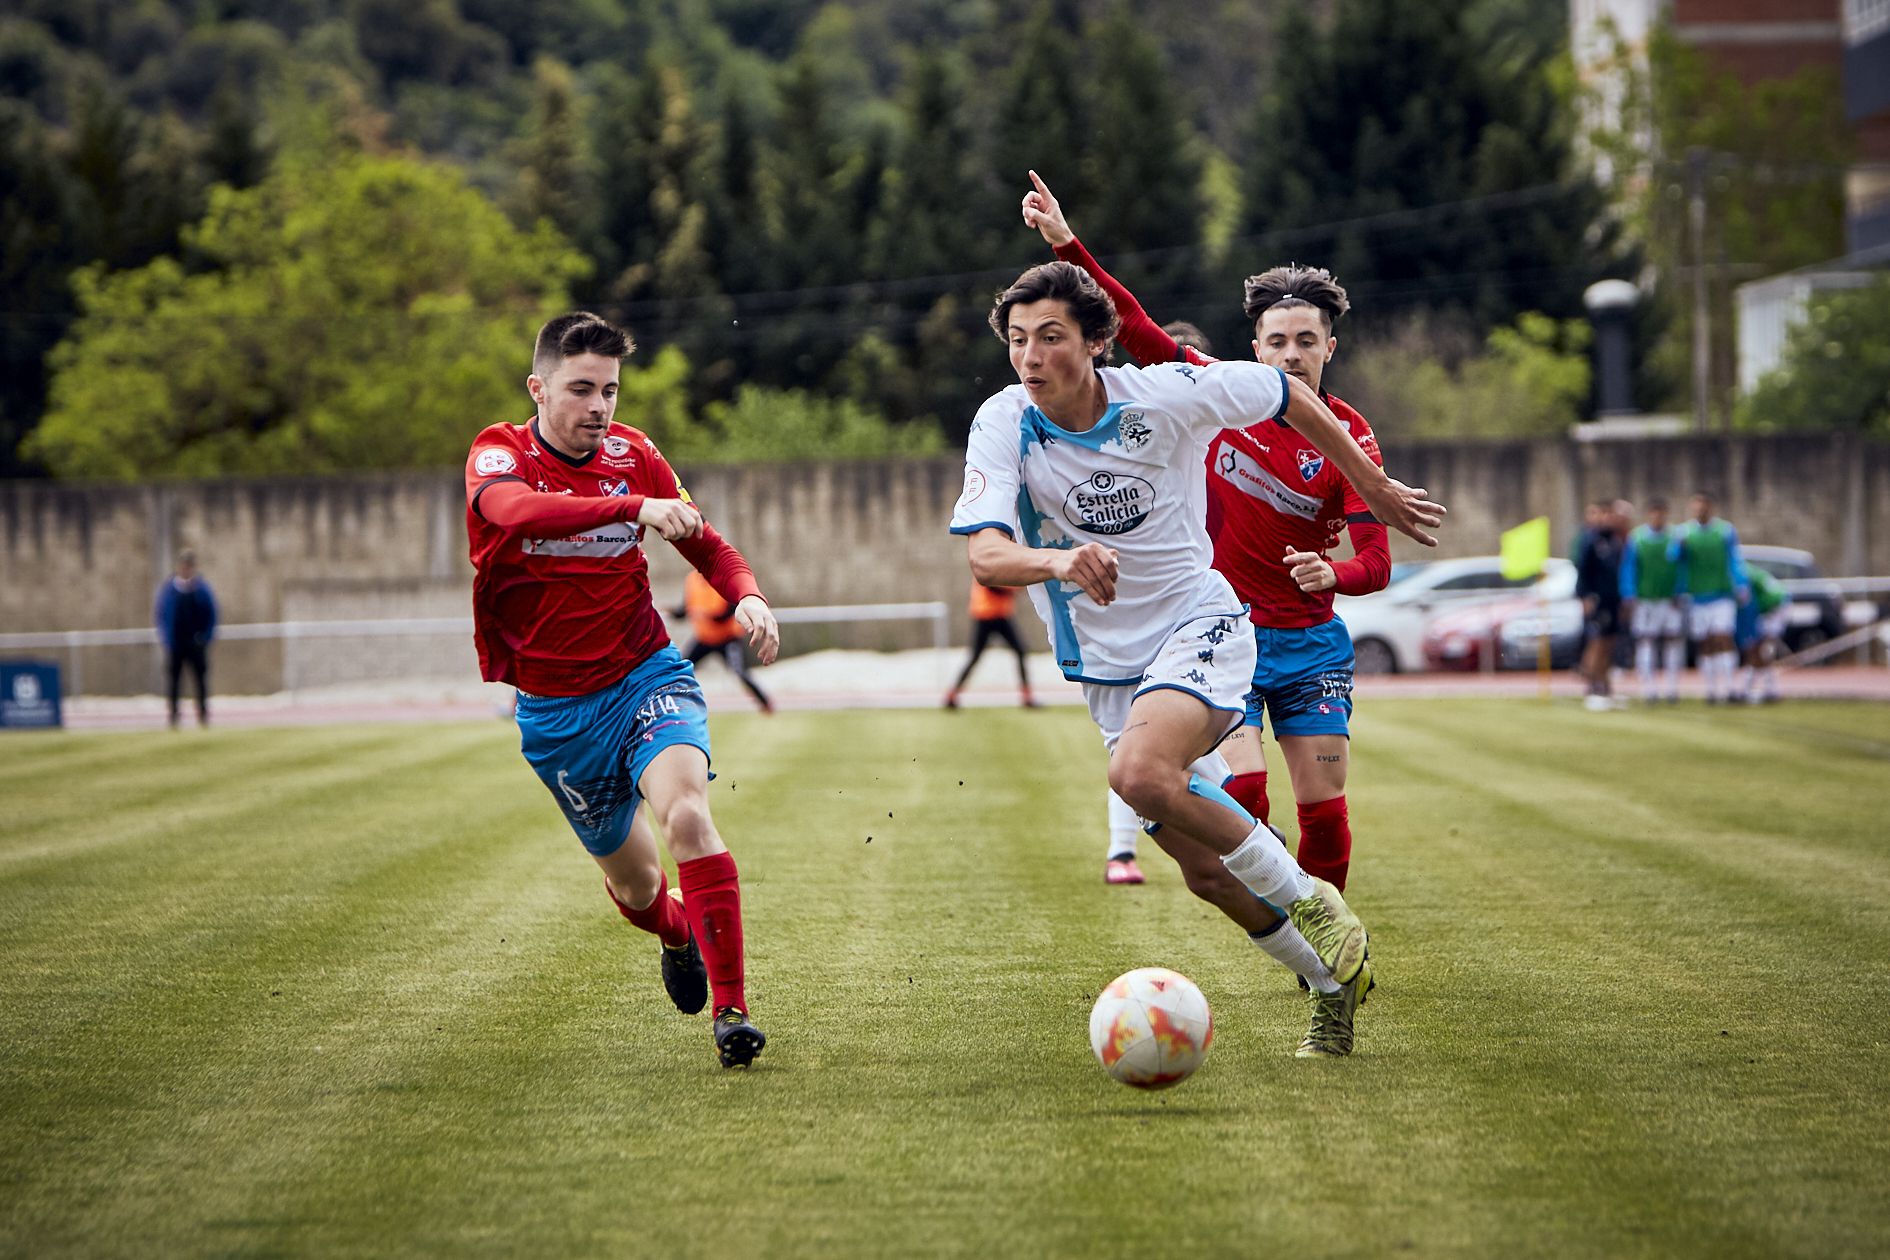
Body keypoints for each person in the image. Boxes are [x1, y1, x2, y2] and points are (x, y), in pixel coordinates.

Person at [951, 257, 1445, 1057]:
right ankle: (1330, 987)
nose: (1031, 357)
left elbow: (1289, 395)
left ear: (1098, 341)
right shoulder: (1005, 420)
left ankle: (1313, 898)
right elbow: (985, 555)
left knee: (1140, 777)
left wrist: (1373, 487)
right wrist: (1058, 561)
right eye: (1017, 340)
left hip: (1199, 626)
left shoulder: (1166, 396)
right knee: (1208, 874)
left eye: (1051, 337)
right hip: (1106, 671)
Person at [1022, 174, 1391, 925]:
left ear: (1331, 347)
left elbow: (1378, 561)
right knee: (1242, 795)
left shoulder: (1350, 437)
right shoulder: (1216, 394)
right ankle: (1285, 901)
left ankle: (1327, 944)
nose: (1290, 356)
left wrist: (1337, 573)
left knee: (1324, 815)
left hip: (1314, 643)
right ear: (1254, 347)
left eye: (1306, 342)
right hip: (1231, 634)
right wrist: (1065, 241)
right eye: (1276, 342)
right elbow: (1131, 322)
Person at [464, 311, 779, 1068]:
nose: (599, 407)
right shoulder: (498, 454)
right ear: (538, 388)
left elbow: (705, 541)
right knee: (640, 893)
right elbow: (515, 513)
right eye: (580, 389)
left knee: (690, 818)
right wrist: (632, 507)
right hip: (554, 714)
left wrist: (748, 594)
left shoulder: (632, 452)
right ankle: (677, 934)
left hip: (644, 676)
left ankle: (732, 1011)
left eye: (609, 389)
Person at [1671, 492, 1749, 705]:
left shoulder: (1724, 531)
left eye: (1703, 506)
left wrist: (1741, 585)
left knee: (1723, 638)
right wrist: (1680, 548)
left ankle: (1730, 687)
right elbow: (1674, 560)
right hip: (1697, 597)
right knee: (1705, 643)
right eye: (1696, 506)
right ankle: (1711, 690)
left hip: (1721, 594)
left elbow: (1735, 559)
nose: (1700, 510)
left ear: (1710, 507)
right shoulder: (1683, 533)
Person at [676, 570, 774, 713]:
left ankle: (765, 703)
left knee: (740, 672)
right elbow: (686, 608)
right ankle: (675, 705)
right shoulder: (692, 579)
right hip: (704, 638)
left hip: (727, 638)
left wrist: (708, 615)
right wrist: (673, 613)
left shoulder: (722, 579)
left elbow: (731, 609)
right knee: (680, 670)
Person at [1620, 497, 1684, 704]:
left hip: (1670, 599)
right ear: (1649, 515)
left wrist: (1680, 591)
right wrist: (1629, 595)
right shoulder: (1637, 539)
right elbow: (1629, 568)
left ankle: (1672, 689)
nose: (1657, 517)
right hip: (1646, 600)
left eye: (1661, 513)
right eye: (1654, 513)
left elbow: (1682, 568)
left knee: (1672, 641)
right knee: (1646, 641)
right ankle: (1649, 690)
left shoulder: (1676, 537)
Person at [944, 580, 1037, 710]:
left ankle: (1027, 697)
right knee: (974, 657)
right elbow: (992, 585)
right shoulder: (987, 564)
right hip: (985, 615)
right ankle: (951, 696)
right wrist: (1017, 588)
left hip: (1001, 615)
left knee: (1020, 651)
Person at [154, 549, 218, 728]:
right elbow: (161, 616)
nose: (186, 569)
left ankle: (203, 715)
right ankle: (174, 715)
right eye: (184, 565)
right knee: (174, 681)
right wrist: (167, 639)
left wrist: (205, 638)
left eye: (189, 566)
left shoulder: (202, 589)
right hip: (176, 643)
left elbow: (212, 614)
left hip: (196, 643)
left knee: (200, 680)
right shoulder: (169, 589)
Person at [1573, 499, 1626, 711]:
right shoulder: (1589, 540)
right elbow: (1582, 572)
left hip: (1613, 600)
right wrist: (1584, 596)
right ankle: (1592, 688)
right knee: (1597, 643)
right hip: (1597, 600)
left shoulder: (1615, 541)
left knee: (1609, 644)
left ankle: (1605, 687)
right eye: (1603, 514)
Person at [1737, 566, 1790, 703]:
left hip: (1772, 610)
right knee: (1758, 651)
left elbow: (1770, 598)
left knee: (1761, 650)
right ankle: (1765, 690)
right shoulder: (1745, 573)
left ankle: (1762, 689)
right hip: (1768, 610)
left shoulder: (1744, 577)